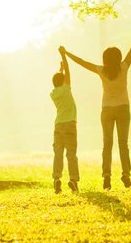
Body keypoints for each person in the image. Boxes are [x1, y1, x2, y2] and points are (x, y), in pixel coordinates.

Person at [60, 22, 131, 190]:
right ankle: (126, 175)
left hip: (107, 110)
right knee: (123, 143)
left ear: (105, 59)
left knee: (107, 144)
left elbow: (81, 62)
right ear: (118, 58)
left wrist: (65, 54)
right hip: (123, 108)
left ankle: (106, 176)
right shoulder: (124, 67)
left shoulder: (101, 70)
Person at [50, 48, 79, 193]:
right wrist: (64, 55)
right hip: (70, 124)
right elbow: (68, 71)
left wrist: (59, 71)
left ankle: (56, 178)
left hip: (58, 125)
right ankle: (73, 180)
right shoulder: (67, 89)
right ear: (63, 81)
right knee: (71, 154)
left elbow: (59, 80)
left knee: (58, 153)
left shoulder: (54, 93)